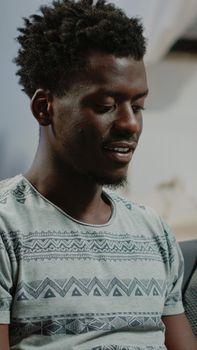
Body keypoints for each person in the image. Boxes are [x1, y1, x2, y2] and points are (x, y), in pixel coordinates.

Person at [0, 0, 196, 349]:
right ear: (44, 108)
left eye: (138, 106)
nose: (130, 124)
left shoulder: (152, 231)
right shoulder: (6, 227)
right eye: (105, 106)